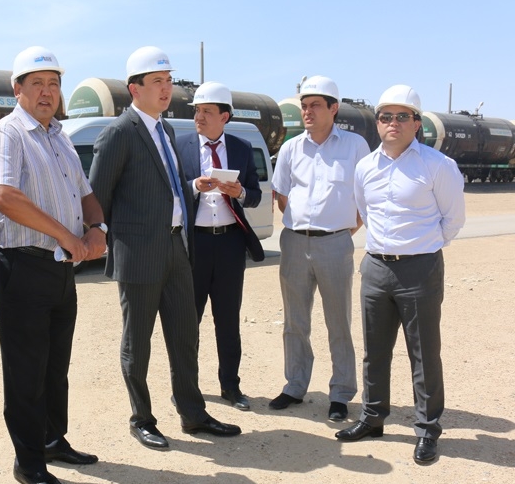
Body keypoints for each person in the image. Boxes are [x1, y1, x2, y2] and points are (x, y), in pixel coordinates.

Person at [89, 46, 241, 451]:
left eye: (169, 80)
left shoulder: (167, 130)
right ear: (134, 89)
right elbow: (98, 198)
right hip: (139, 255)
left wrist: (193, 187)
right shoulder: (119, 133)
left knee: (185, 336)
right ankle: (141, 418)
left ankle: (193, 414)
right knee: (138, 343)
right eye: (157, 81)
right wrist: (102, 240)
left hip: (176, 248)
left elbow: (167, 189)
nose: (166, 88)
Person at [0, 46, 106, 484]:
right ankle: (29, 462)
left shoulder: (60, 137)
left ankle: (53, 440)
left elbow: (85, 193)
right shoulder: (6, 134)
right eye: (37, 84)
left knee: (55, 365)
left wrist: (97, 227)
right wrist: (67, 236)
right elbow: (2, 194)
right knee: (26, 370)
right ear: (17, 90)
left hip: (58, 269)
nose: (47, 92)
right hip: (22, 265)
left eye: (53, 84)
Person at [336, 85, 465, 463]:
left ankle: (427, 430)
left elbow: (453, 220)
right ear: (377, 122)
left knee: (424, 354)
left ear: (417, 123)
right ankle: (372, 418)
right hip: (376, 267)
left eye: (402, 116)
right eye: (386, 116)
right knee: (374, 351)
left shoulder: (437, 166)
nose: (393, 123)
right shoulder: (365, 167)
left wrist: (422, 247)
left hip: (419, 270)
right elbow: (365, 211)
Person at [270, 75, 370, 421]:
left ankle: (341, 393)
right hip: (295, 242)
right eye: (304, 105)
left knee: (338, 322)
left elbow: (365, 199)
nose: (307, 111)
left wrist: (340, 232)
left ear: (333, 108)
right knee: (294, 321)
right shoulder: (291, 148)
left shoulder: (355, 146)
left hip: (335, 244)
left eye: (315, 105)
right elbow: (282, 196)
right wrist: (305, 228)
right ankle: (295, 385)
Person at [178, 81, 264, 412]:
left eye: (207, 112)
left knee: (228, 320)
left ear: (224, 116)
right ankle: (186, 388)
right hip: (194, 245)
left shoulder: (241, 148)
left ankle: (231, 386)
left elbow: (255, 195)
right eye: (197, 111)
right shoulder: (180, 146)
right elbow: (170, 192)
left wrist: (239, 192)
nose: (199, 117)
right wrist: (193, 186)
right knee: (188, 322)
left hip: (230, 244)